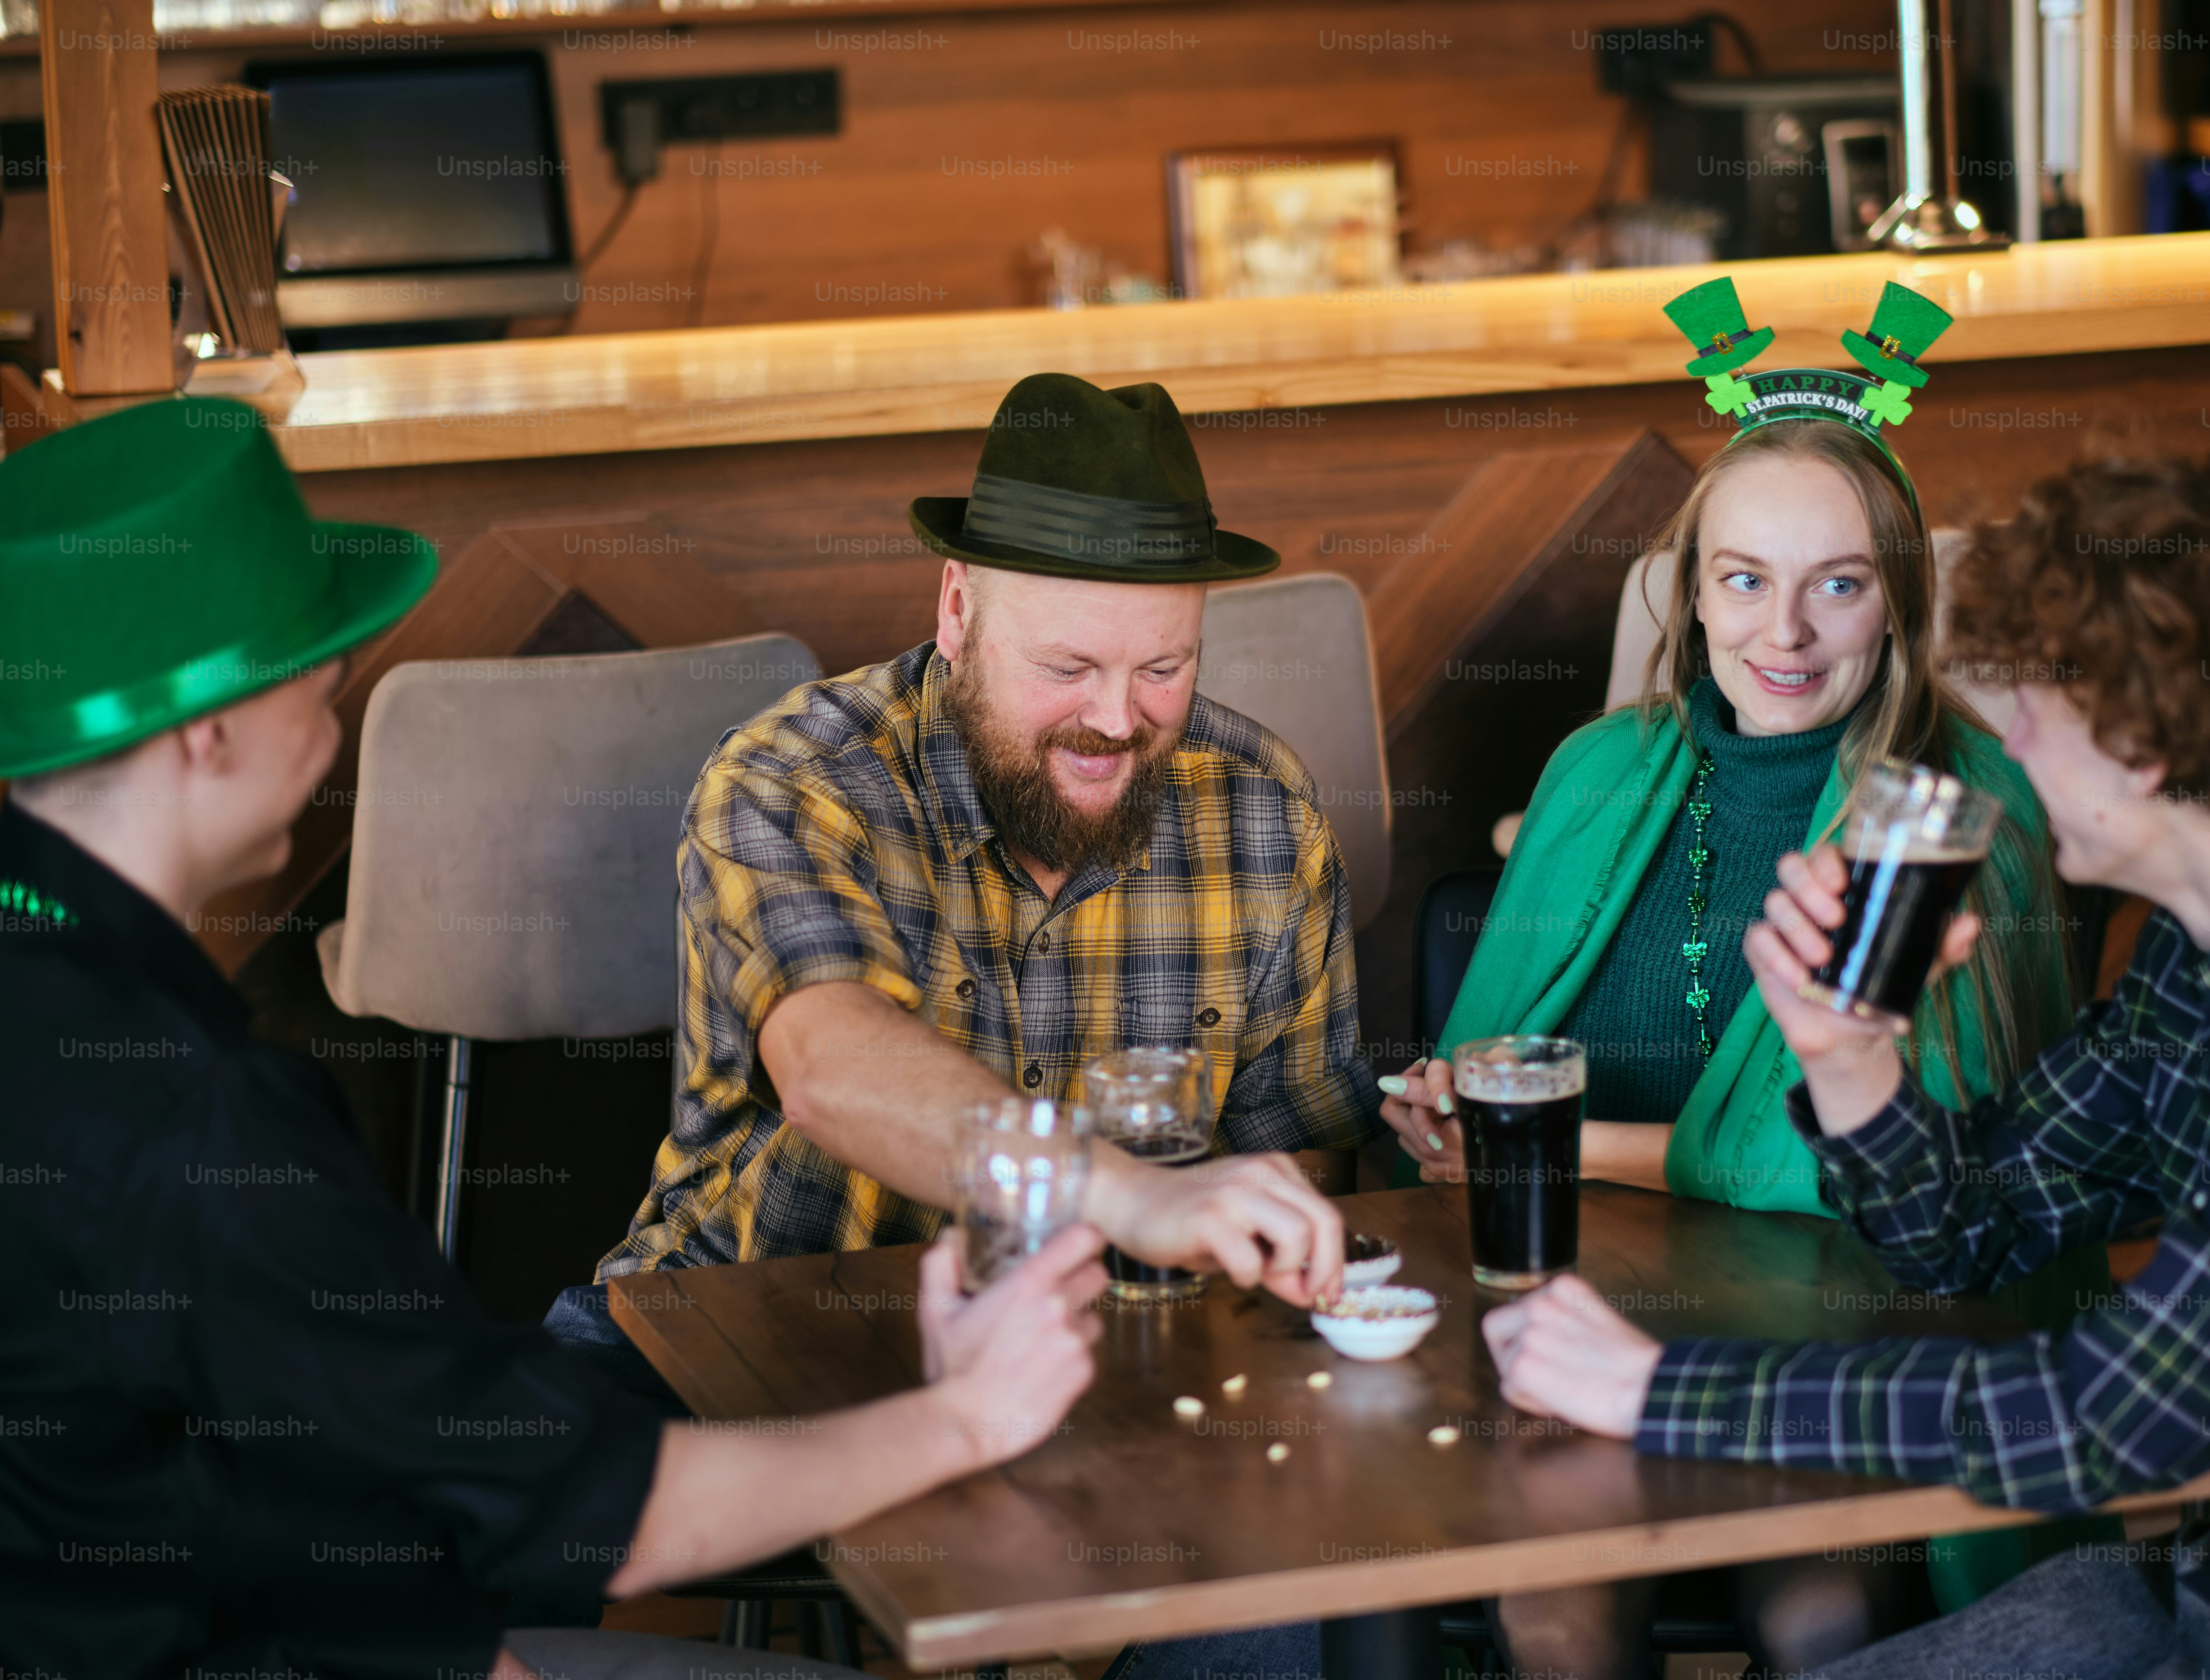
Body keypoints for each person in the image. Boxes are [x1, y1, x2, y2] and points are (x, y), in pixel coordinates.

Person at [0, 398, 1110, 1680]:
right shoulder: (201, 1126)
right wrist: (968, 1412)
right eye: (324, 664)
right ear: (211, 730)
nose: (339, 695)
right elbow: (607, 1514)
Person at [1485, 451, 2210, 1680]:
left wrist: (1659, 1388)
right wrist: (1853, 1056)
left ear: (2140, 740)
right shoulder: (2204, 962)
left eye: (2033, 708)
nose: (2007, 744)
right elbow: (1974, 1229)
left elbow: (2113, 1414)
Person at [1377, 277, 2103, 1677]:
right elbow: (1479, 1090)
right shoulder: (1598, 769)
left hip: (1841, 1330)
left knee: (1815, 1599)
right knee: (1554, 1604)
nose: (1786, 633)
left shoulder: (1953, 803)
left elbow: (1877, 1173)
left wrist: (1548, 1143)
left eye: (1838, 582)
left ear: (1897, 601)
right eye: (1745, 579)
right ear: (1691, 591)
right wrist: (1438, 1113)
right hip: (1572, 1312)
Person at [554, 372, 1369, 1389]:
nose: (1116, 721)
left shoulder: (1264, 810)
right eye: (1068, 667)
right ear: (957, 611)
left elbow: (1303, 1156)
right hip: (749, 1337)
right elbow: (831, 1068)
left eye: (1163, 669)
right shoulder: (795, 782)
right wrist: (1123, 1194)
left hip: (1105, 1356)